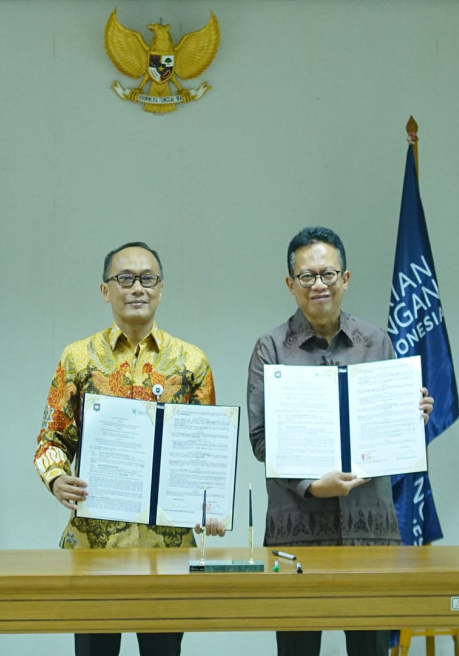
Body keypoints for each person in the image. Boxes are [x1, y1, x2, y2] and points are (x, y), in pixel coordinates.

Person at [247, 226, 434, 656]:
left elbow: (389, 427)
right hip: (296, 530)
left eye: (328, 274)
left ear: (345, 279)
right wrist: (312, 486)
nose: (319, 284)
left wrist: (411, 415)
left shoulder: (377, 341)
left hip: (370, 527)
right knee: (297, 648)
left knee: (371, 647)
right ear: (290, 284)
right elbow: (261, 439)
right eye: (307, 276)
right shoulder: (270, 348)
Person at [34, 241, 224, 656]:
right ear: (106, 290)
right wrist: (56, 477)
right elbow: (51, 439)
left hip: (168, 549)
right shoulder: (77, 359)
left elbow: (204, 450)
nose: (137, 288)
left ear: (161, 289)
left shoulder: (191, 362)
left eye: (147, 279)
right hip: (94, 547)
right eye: (125, 278)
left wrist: (210, 504)